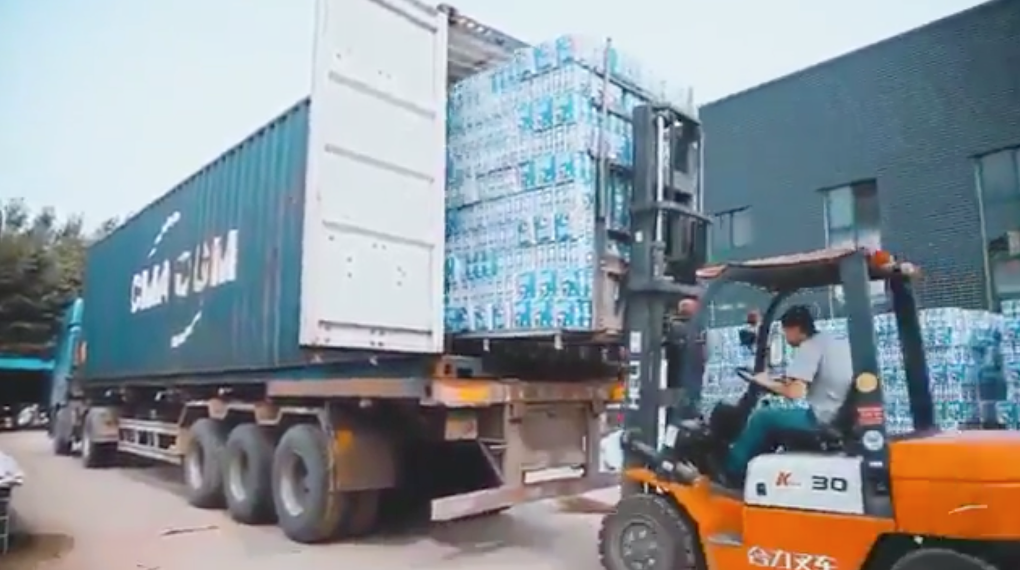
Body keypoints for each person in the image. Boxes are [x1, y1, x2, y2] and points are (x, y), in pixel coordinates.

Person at [724, 304, 853, 483]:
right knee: (774, 414)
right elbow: (809, 379)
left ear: (795, 329)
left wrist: (764, 382)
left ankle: (732, 471)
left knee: (762, 417)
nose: (785, 337)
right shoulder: (831, 341)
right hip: (837, 411)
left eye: (786, 332)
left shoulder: (809, 346)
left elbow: (795, 393)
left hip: (820, 418)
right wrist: (777, 382)